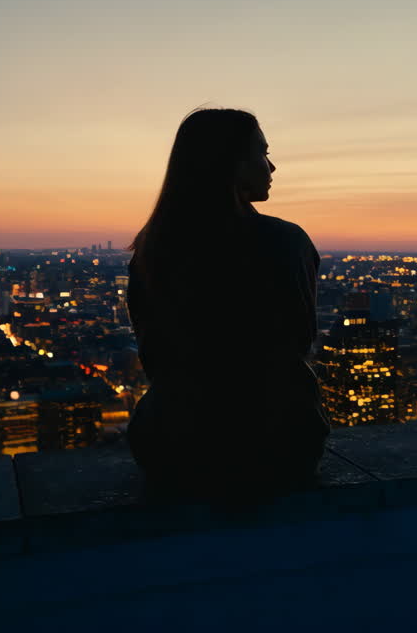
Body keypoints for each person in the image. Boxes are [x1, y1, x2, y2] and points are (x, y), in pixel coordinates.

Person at [125, 107, 329, 501]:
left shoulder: (153, 249)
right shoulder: (283, 242)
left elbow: (155, 359)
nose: (272, 166)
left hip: (171, 446)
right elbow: (296, 343)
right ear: (233, 164)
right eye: (262, 153)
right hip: (275, 443)